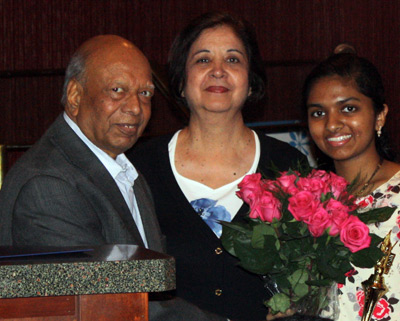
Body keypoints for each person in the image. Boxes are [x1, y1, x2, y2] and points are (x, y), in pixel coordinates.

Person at [0, 35, 223, 321]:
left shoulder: (121, 166)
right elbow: (106, 306)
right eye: (117, 90)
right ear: (75, 96)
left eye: (145, 94)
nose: (135, 108)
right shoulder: (48, 186)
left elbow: (152, 288)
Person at [128, 12, 307, 321]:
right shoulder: (139, 168)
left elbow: (309, 272)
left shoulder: (288, 166)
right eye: (202, 60)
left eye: (233, 60)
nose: (218, 71)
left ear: (251, 81)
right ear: (181, 82)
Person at [301, 45, 400, 320]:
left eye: (348, 108)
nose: (332, 124)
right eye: (318, 113)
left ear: (379, 115)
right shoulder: (304, 204)